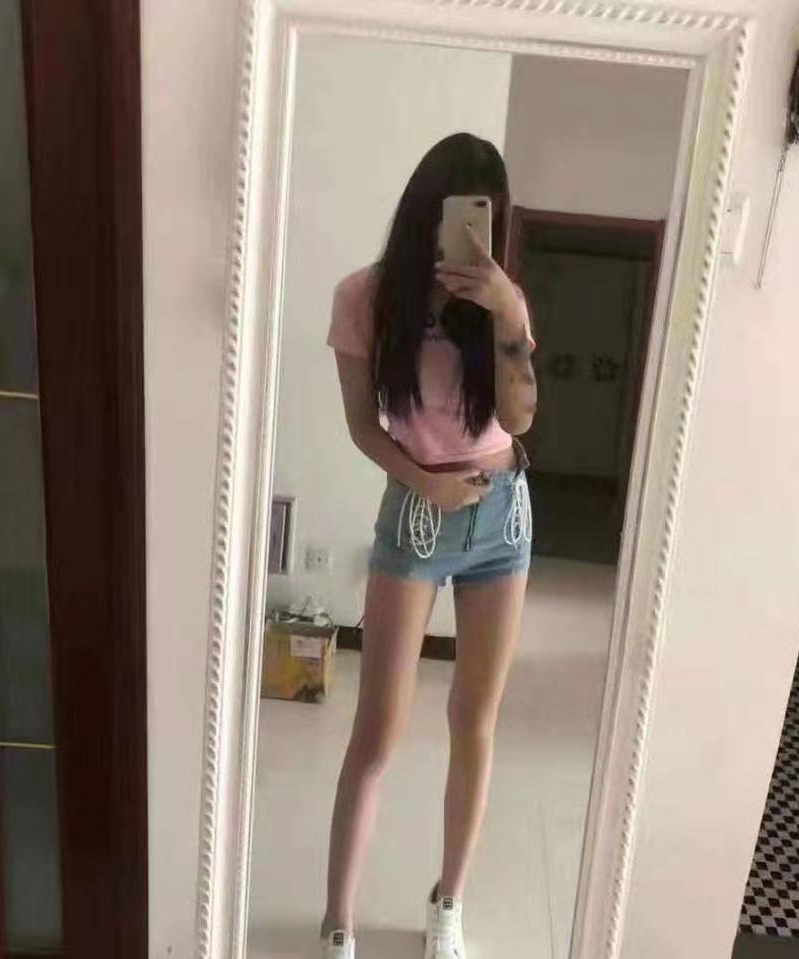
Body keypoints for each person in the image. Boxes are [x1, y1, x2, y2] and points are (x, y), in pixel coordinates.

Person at [322, 133, 537, 959]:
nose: (476, 235)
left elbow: (518, 417)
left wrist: (508, 317)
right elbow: (359, 425)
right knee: (378, 728)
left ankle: (448, 901)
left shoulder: (503, 303)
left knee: (473, 720)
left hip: (501, 515)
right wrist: (424, 482)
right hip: (416, 510)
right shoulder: (363, 297)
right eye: (462, 215)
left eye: (489, 218)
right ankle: (338, 920)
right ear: (427, 212)